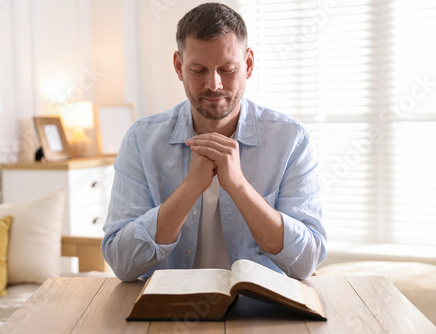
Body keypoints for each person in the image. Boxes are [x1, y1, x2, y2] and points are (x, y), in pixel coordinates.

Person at [101, 2, 326, 282]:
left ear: (249, 65)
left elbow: (306, 262)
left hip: (263, 316)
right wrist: (190, 188)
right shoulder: (140, 140)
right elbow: (123, 264)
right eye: (198, 70)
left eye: (227, 69)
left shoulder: (291, 140)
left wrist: (239, 186)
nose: (214, 84)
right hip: (167, 317)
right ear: (178, 66)